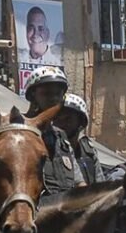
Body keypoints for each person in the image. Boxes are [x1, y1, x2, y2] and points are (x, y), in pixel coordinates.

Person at [23, 66, 83, 196]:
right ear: (33, 95)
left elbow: (79, 183)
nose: (54, 99)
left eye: (58, 94)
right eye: (47, 93)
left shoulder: (60, 137)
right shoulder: (18, 129)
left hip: (63, 209)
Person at [54, 93, 103, 186]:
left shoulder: (88, 151)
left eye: (68, 119)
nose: (61, 124)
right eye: (57, 119)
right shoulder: (50, 151)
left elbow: (101, 185)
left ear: (81, 123)